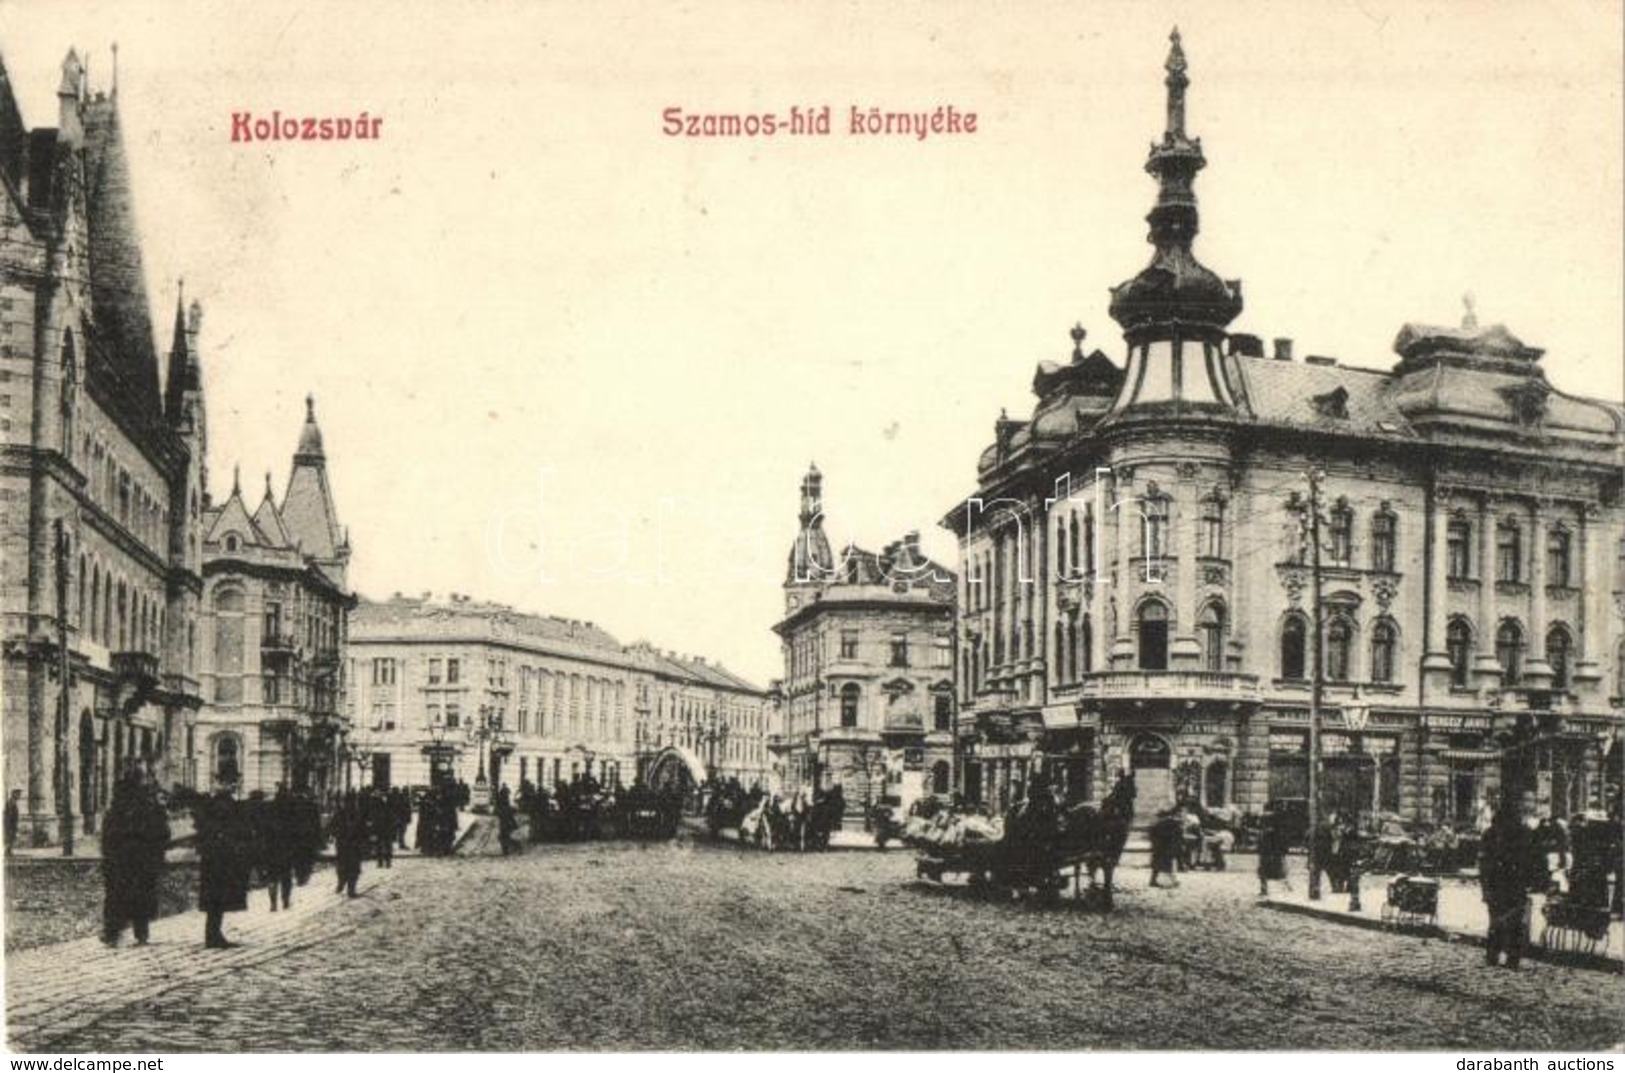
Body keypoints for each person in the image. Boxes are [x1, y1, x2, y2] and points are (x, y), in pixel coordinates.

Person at [100, 770, 171, 945]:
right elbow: (163, 834)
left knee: (116, 897)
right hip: (142, 863)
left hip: (119, 863)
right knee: (141, 897)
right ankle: (141, 934)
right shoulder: (149, 809)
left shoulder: (115, 811)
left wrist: (109, 858)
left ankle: (112, 934)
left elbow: (106, 839)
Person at [1479, 792, 1548, 971]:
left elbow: (1483, 863)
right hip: (1515, 884)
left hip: (1495, 884)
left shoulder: (1490, 833)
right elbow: (1536, 859)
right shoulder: (1524, 832)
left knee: (1496, 920)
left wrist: (1485, 886)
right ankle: (1512, 960)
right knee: (1516, 924)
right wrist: (1538, 881)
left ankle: (1492, 956)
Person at [196, 787, 253, 948]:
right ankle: (213, 935)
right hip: (221, 862)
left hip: (212, 862)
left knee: (215, 901)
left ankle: (213, 934)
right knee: (218, 899)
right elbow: (232, 832)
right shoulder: (224, 807)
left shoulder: (211, 807)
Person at [331, 792, 367, 896]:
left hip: (349, 844)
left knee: (349, 866)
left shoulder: (354, 814)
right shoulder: (344, 814)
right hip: (347, 844)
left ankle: (348, 887)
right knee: (349, 866)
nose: (351, 804)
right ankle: (343, 884)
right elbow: (332, 827)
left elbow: (363, 829)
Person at [1256, 809, 1290, 897]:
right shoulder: (1276, 831)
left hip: (1269, 855)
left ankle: (1265, 889)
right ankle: (1285, 888)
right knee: (1279, 872)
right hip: (1273, 854)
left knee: (1265, 872)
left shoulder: (1267, 832)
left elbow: (1263, 844)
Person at [4, 788, 21, 855]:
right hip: (10, 824)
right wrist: (10, 825)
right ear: (14, 794)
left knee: (11, 837)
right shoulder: (11, 802)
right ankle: (7, 850)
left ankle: (8, 850)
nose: (19, 796)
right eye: (18, 794)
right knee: (10, 836)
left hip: (12, 823)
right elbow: (9, 815)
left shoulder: (12, 802)